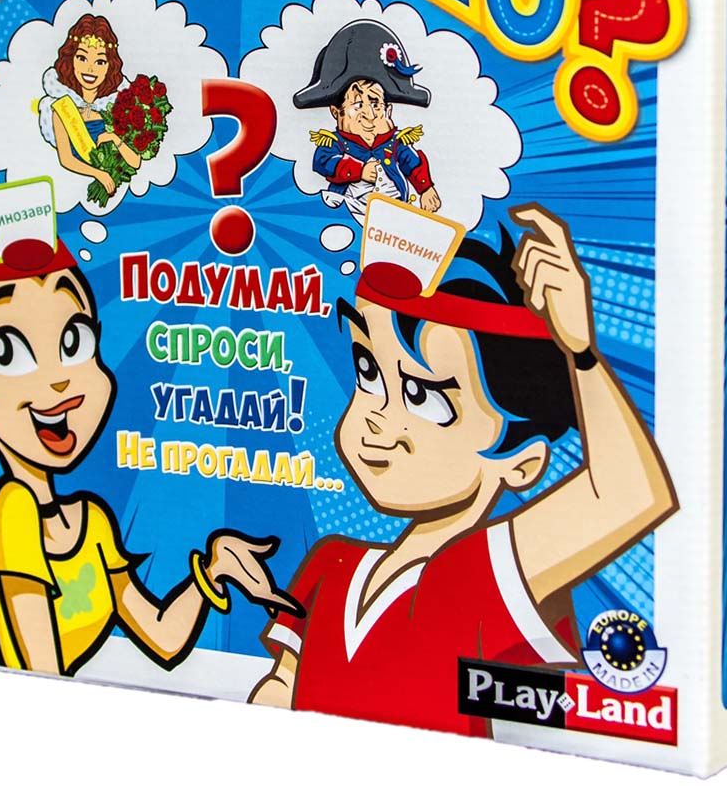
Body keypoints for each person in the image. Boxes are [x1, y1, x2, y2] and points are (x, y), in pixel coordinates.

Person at [250, 199, 677, 736]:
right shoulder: (331, 565)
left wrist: (581, 353)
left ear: (520, 463)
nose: (380, 417)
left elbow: (628, 494)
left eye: (425, 397)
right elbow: (283, 683)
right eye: (369, 372)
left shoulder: (483, 574)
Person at [0, 180, 301, 676]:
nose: (59, 380)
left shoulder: (92, 521)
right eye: (7, 351)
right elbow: (38, 670)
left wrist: (214, 568)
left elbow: (162, 638)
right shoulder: (15, 509)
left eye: (73, 340)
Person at [294, 20, 441, 223]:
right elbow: (323, 162)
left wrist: (425, 188)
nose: (369, 114)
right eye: (357, 105)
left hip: (392, 210)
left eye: (375, 104)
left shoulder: (395, 142)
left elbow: (413, 163)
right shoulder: (335, 143)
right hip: (350, 211)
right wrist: (359, 171)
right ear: (337, 112)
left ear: (388, 110)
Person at [39, 13, 143, 200]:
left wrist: (113, 138)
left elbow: (135, 162)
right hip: (67, 192)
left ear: (110, 66)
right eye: (82, 58)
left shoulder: (115, 107)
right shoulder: (61, 107)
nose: (90, 68)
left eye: (100, 61)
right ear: (70, 60)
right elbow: (66, 159)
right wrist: (99, 174)